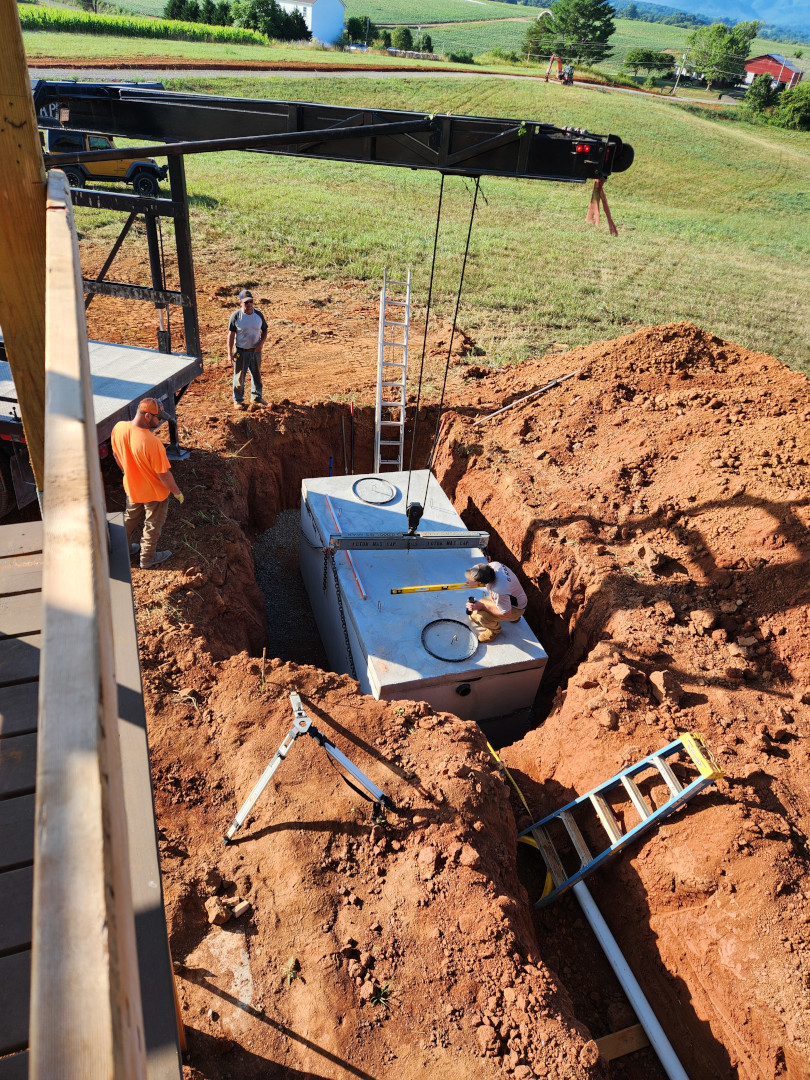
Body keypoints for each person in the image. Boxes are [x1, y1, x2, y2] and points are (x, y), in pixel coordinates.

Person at [111, 397, 184, 570]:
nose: (160, 422)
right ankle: (147, 559)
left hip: (132, 487)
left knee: (130, 518)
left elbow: (116, 454)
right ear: (147, 416)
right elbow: (163, 474)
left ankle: (123, 549)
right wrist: (176, 492)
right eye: (159, 418)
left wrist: (127, 471)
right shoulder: (152, 443)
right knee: (152, 525)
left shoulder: (119, 428)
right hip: (154, 494)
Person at [464, 560, 527, 643]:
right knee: (482, 601)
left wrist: (483, 606)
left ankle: (494, 631)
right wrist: (475, 581)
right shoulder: (494, 565)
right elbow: (484, 573)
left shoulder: (498, 590)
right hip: (518, 599)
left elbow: (506, 614)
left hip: (515, 609)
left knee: (482, 616)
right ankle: (515, 618)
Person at [227, 288, 268, 411]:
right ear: (240, 303)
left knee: (257, 375)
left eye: (251, 301)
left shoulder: (258, 315)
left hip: (255, 352)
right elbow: (231, 335)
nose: (249, 304)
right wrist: (229, 353)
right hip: (241, 352)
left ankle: (256, 397)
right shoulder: (236, 316)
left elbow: (265, 330)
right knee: (239, 377)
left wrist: (261, 343)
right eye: (246, 302)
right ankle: (238, 400)